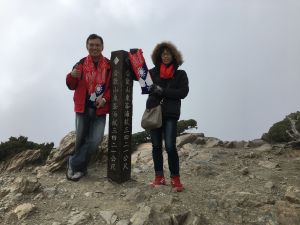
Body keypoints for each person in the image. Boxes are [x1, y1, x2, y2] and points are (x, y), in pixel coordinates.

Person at [65, 34, 111, 181]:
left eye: (97, 45)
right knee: (80, 140)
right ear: (87, 46)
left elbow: (112, 87)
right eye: (91, 45)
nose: (94, 47)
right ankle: (81, 170)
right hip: (83, 107)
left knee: (96, 140)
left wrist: (105, 98)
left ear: (102, 47)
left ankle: (73, 162)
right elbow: (71, 85)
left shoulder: (109, 66)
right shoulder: (80, 64)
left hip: (100, 107)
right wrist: (71, 75)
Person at [147, 41, 189, 192]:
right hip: (154, 113)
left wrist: (162, 91)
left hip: (171, 114)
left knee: (170, 146)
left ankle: (175, 178)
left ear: (173, 56)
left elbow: (183, 92)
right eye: (163, 54)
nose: (165, 56)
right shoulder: (152, 73)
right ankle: (159, 177)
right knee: (156, 146)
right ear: (159, 56)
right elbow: (144, 86)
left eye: (168, 54)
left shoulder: (180, 74)